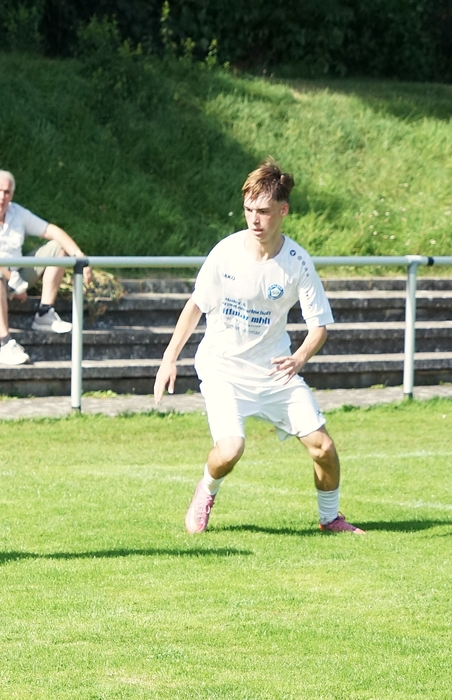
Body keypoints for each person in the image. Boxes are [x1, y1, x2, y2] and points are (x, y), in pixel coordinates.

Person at [153, 158, 364, 535]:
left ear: (283, 211)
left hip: (274, 371)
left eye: (264, 211)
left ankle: (330, 519)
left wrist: (298, 358)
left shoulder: (297, 263)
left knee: (323, 448)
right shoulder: (225, 253)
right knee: (230, 449)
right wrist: (169, 359)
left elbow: (319, 328)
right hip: (223, 370)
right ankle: (206, 490)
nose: (254, 219)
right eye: (249, 209)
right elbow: (196, 306)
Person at [0, 170, 92, 365]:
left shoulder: (17, 212)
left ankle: (45, 313)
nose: (2, 197)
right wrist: (13, 280)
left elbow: (51, 230)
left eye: (7, 192)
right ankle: (6, 344)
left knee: (58, 248)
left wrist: (80, 256)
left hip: (14, 275)